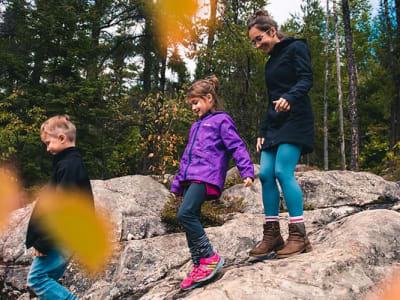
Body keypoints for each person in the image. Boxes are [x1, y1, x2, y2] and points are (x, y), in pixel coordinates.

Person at [171, 75, 254, 290]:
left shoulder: (221, 120)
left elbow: (236, 146)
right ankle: (199, 264)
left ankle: (209, 258)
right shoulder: (195, 126)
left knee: (185, 214)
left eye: (195, 103)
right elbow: (187, 156)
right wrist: (177, 184)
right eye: (191, 104)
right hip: (192, 177)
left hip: (206, 176)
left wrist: (247, 170)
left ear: (209, 98)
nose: (193, 108)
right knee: (191, 217)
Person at [247, 10, 314, 259]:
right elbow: (270, 99)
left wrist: (290, 97)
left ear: (271, 32)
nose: (257, 45)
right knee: (264, 174)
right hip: (275, 124)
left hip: (296, 118)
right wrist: (263, 131)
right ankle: (272, 234)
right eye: (253, 42)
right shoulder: (270, 61)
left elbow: (307, 79)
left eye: (258, 39)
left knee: (282, 172)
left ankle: (299, 235)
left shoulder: (297, 48)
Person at [26, 115, 93, 299]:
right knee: (47, 285)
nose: (47, 149)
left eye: (48, 143)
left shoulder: (69, 166)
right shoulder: (67, 164)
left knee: (37, 279)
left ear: (62, 138)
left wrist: (44, 241)